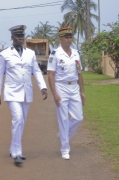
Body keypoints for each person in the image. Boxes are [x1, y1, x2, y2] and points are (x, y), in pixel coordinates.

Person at [0, 25, 48, 165]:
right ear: (12, 37)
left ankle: (13, 148)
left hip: (26, 92)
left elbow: (36, 71)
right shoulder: (4, 54)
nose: (21, 38)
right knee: (17, 119)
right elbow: (0, 74)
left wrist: (43, 86)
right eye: (18, 36)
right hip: (12, 92)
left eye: (22, 36)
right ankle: (18, 153)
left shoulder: (30, 53)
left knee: (21, 121)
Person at [47, 26, 86, 160]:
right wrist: (55, 94)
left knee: (79, 117)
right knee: (63, 119)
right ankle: (65, 149)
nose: (69, 40)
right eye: (66, 37)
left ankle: (64, 135)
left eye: (70, 37)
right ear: (60, 39)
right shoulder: (55, 54)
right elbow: (51, 75)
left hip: (74, 87)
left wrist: (82, 92)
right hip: (61, 87)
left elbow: (79, 73)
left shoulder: (76, 53)